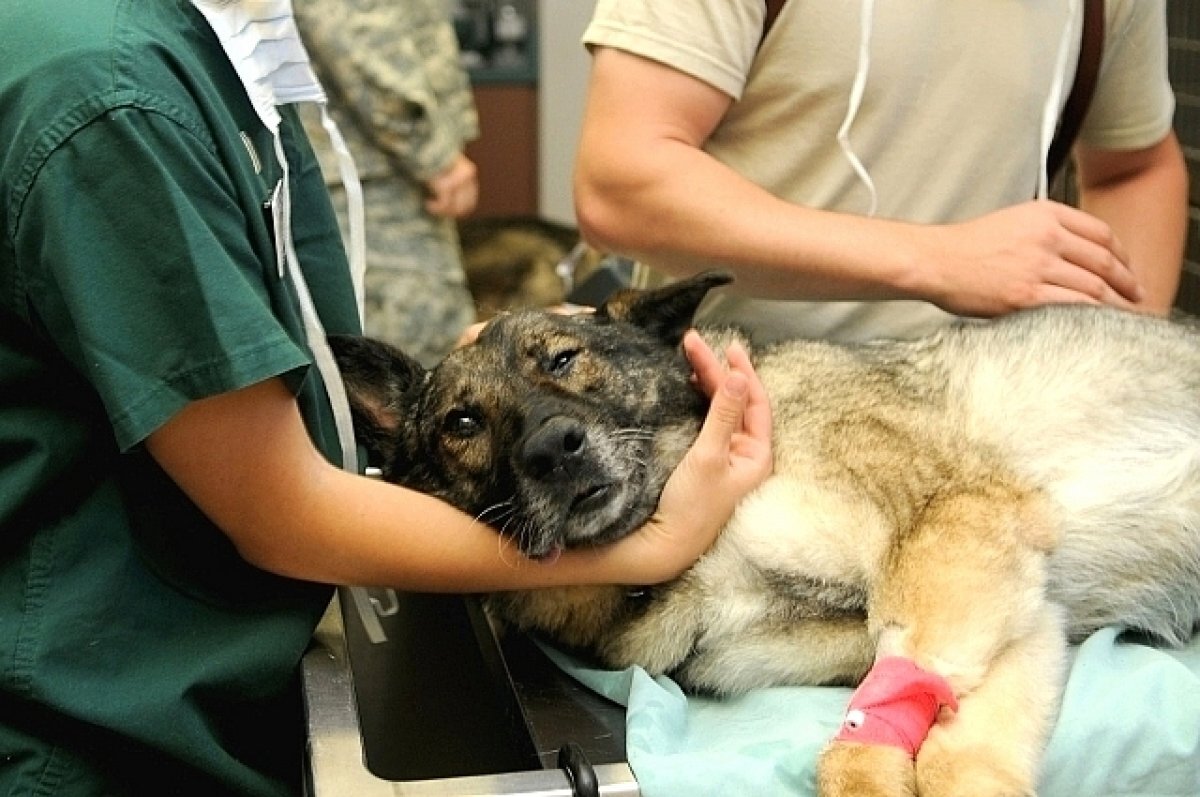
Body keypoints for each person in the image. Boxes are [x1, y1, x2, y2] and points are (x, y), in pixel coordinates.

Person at [0, 1, 773, 795]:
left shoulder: (219, 43)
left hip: (192, 684)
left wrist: (507, 366)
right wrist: (657, 542)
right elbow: (279, 510)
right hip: (98, 734)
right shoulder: (112, 99)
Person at [573, 0, 1189, 344]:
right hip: (739, 420)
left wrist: (1116, 361)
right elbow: (622, 183)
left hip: (995, 421)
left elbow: (1133, 167)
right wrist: (938, 260)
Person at [294, 0, 480, 367]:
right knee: (409, 369)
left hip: (371, 172)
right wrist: (434, 154)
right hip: (370, 182)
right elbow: (353, 31)